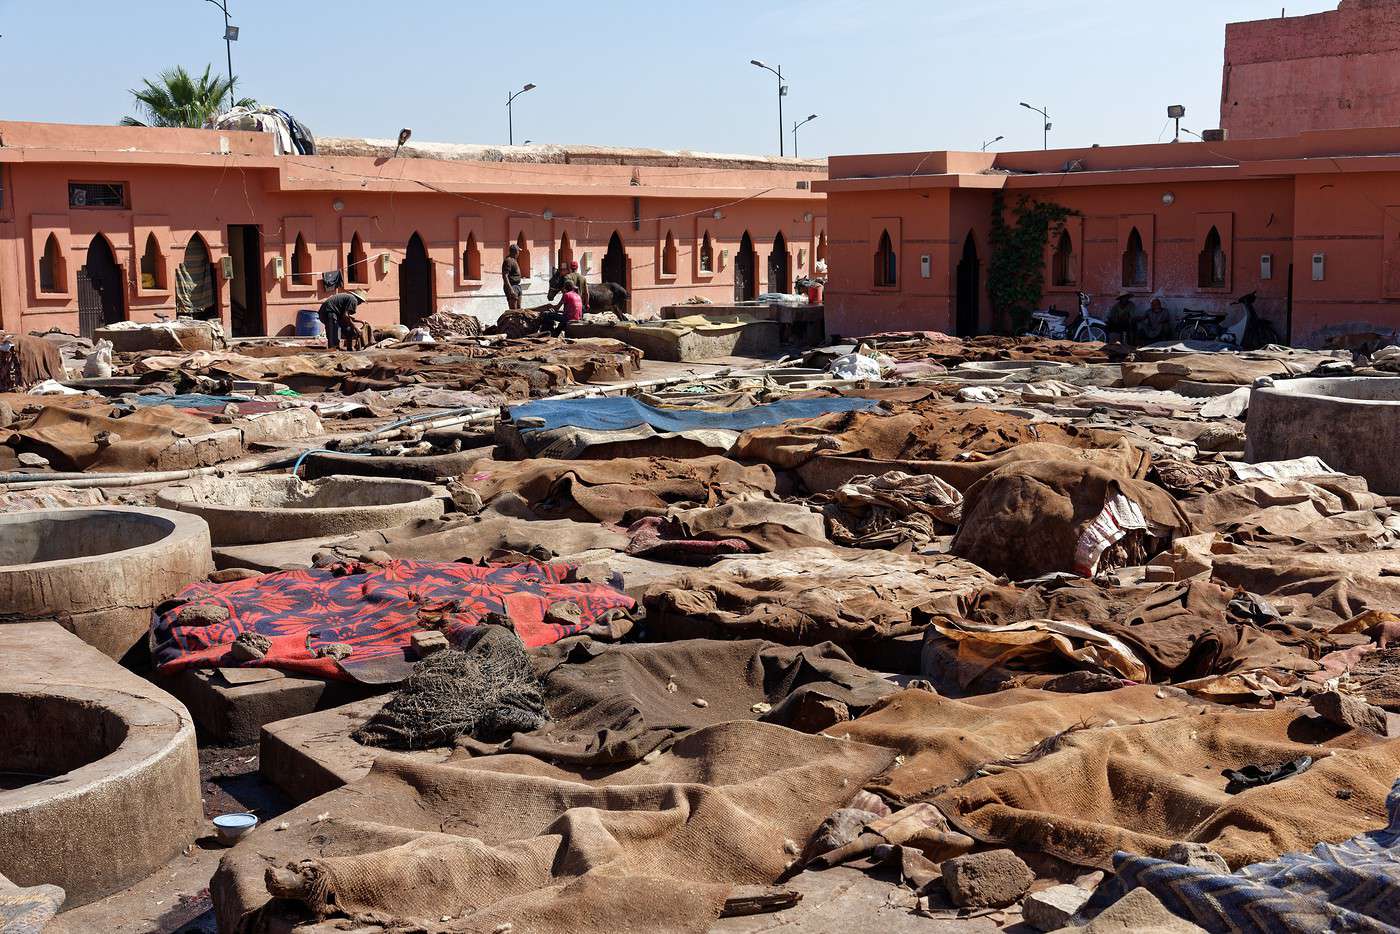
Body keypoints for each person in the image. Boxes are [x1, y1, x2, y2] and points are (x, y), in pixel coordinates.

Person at [502, 244, 523, 310]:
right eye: (518, 251)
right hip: (512, 286)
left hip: (517, 286)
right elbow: (505, 276)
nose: (519, 253)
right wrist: (510, 289)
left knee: (519, 308)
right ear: (515, 252)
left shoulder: (514, 260)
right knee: (513, 309)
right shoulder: (508, 261)